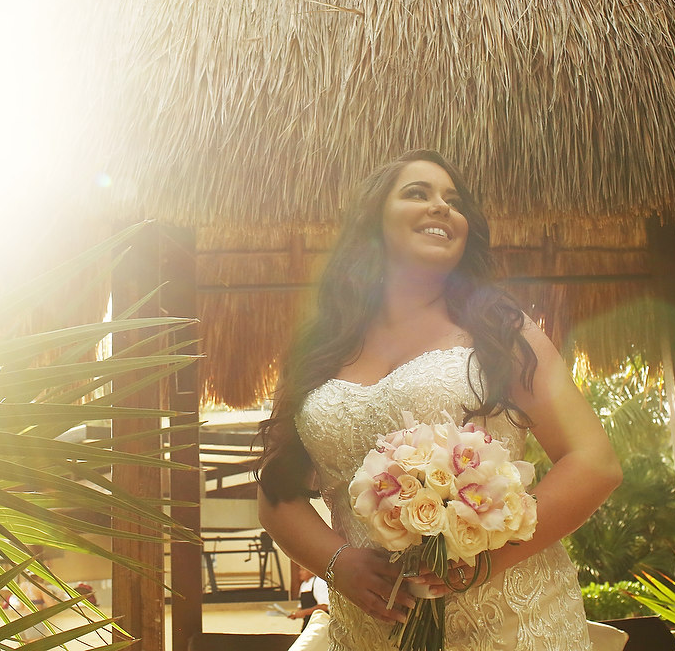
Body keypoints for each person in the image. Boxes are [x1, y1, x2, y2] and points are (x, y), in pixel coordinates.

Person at [256, 149, 623, 651]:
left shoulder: (499, 330)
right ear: (372, 221)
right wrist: (338, 564)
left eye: (454, 202)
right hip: (370, 631)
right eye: (417, 193)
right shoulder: (315, 350)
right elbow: (277, 493)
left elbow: (594, 462)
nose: (442, 208)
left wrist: (485, 560)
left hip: (511, 625)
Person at [288, 565, 329, 629]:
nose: (300, 573)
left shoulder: (319, 582)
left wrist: (303, 613)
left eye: (303, 570)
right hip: (307, 624)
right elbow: (302, 607)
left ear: (311, 571)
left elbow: (324, 607)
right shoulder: (303, 585)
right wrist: (295, 614)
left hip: (320, 624)